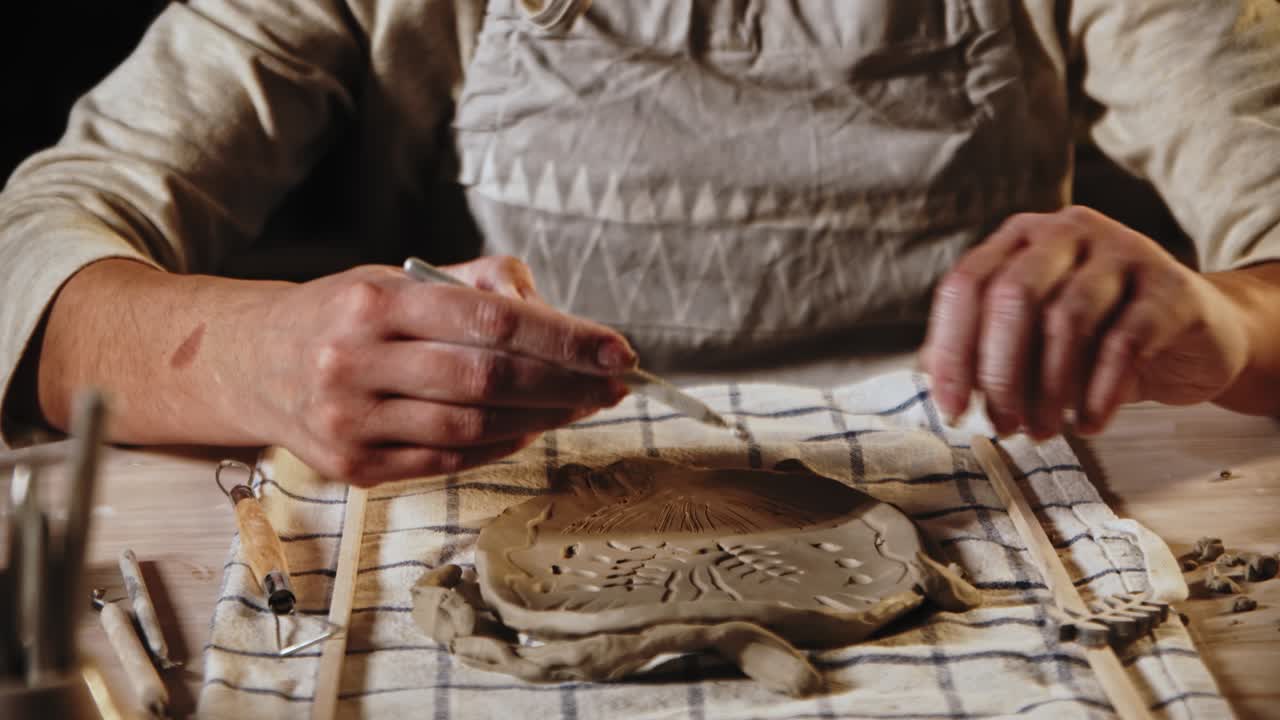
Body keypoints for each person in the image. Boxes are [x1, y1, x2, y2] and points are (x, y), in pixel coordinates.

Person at [1, 0, 1278, 486]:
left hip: (980, 524)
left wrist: (1224, 324)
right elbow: (36, 251)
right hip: (484, 526)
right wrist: (259, 356)